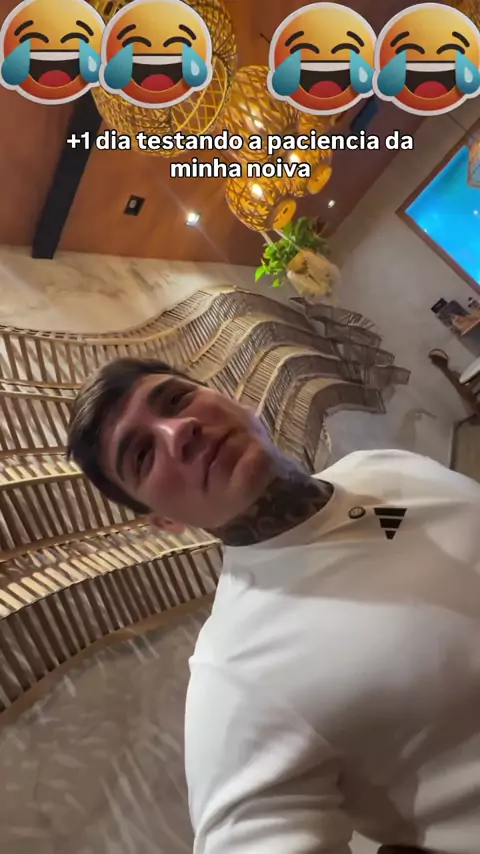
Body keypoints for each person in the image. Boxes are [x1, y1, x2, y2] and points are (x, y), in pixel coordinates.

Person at [67, 357, 480, 854]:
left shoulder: (382, 465)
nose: (179, 431)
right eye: (142, 455)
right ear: (164, 521)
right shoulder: (237, 673)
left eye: (176, 400)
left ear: (229, 398)